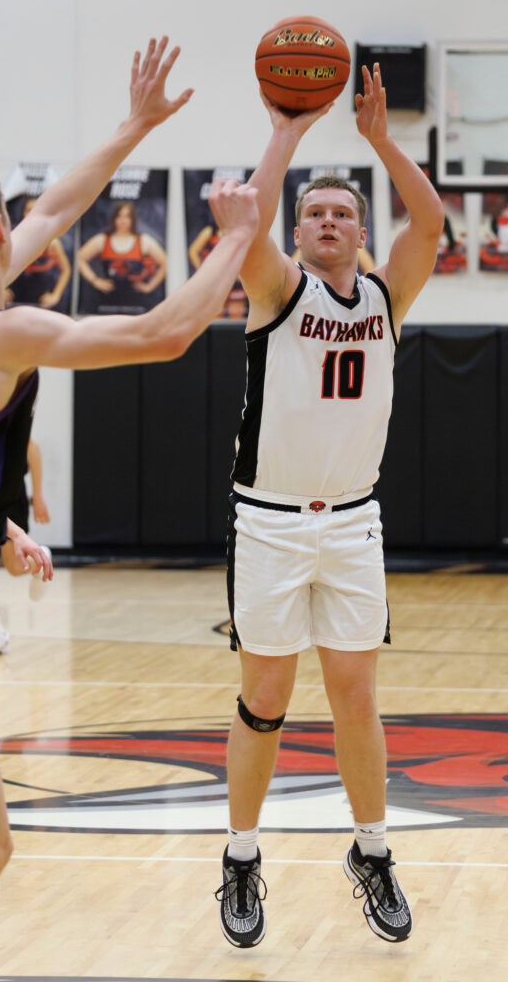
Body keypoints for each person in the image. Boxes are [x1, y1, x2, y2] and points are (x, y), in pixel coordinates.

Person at [0, 36, 260, 982]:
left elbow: (61, 207)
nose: (27, 228)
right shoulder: (2, 331)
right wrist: (233, 234)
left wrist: (134, 128)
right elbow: (163, 330)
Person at [214, 63, 444, 949]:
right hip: (269, 521)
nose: (329, 222)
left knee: (356, 694)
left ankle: (373, 851)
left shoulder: (388, 295)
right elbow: (249, 226)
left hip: (353, 521)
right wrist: (290, 130)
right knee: (264, 697)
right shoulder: (276, 292)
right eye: (314, 214)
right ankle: (240, 856)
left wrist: (383, 140)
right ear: (299, 233)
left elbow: (429, 222)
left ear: (359, 231)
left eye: (344, 213)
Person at [0, 437, 52, 654]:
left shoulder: (0, 411)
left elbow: (32, 447)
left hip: (6, 492)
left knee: (7, 566)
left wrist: (37, 496)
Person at [77, 199, 167, 312]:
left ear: (132, 219)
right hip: (105, 302)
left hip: (136, 304)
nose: (123, 220)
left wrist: (149, 286)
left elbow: (165, 263)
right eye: (119, 216)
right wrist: (95, 281)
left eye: (127, 216)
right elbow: (79, 258)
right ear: (114, 218)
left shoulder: (144, 241)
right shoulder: (102, 240)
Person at [8, 196, 72, 310]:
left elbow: (66, 270)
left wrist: (56, 295)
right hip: (14, 301)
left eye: (35, 211)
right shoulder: (13, 239)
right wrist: (1, 290)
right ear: (23, 213)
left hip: (42, 303)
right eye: (28, 210)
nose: (31, 215)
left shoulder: (52, 243)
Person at [188, 221, 248, 318]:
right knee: (216, 317)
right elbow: (193, 251)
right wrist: (203, 272)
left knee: (237, 319)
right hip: (215, 282)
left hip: (235, 281)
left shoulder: (240, 230)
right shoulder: (210, 231)